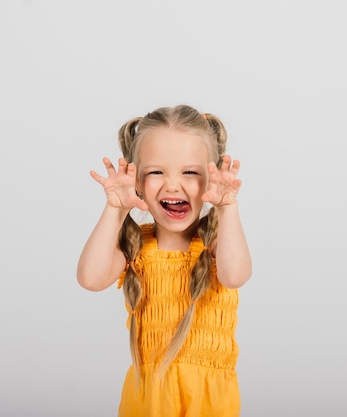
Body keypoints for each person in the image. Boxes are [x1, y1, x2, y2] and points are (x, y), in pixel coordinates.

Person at [77, 104, 252, 416]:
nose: (173, 184)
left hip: (209, 404)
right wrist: (115, 209)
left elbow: (235, 275)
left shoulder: (216, 246)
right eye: (156, 172)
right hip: (148, 402)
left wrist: (227, 209)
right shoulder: (136, 248)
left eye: (190, 172)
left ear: (210, 180)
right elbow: (91, 279)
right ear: (138, 183)